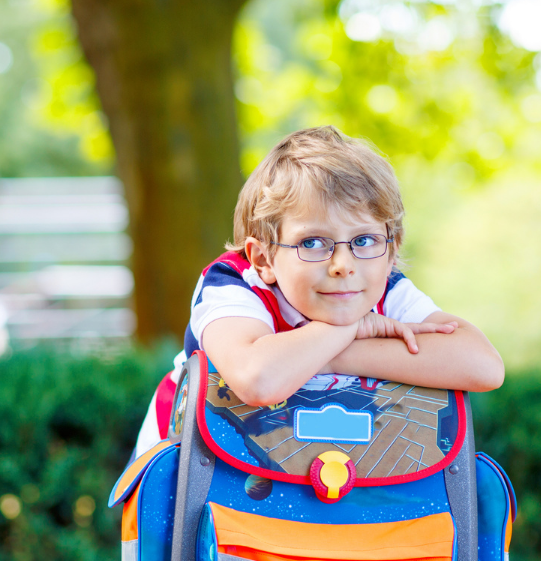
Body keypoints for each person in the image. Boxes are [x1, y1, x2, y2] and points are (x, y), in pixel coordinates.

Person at [132, 125, 503, 458]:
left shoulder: (379, 285)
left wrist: (332, 355)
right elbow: (259, 380)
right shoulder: (234, 285)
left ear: (391, 251)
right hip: (198, 481)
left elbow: (483, 366)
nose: (343, 263)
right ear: (263, 258)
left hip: (325, 485)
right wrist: (350, 328)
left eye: (364, 239)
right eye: (312, 242)